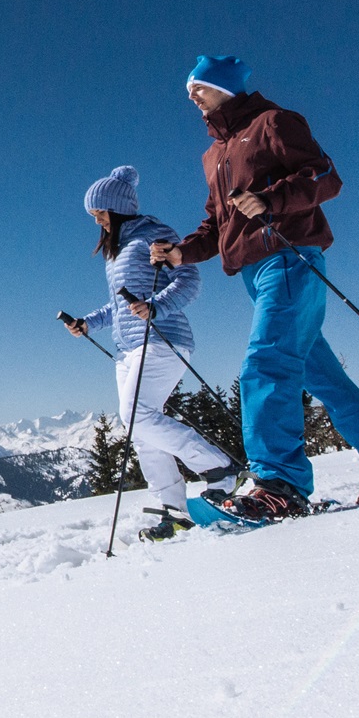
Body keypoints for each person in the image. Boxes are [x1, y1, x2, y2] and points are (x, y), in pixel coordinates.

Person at [147, 55, 359, 519]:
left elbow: (324, 176)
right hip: (253, 273)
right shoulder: (214, 155)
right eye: (188, 90)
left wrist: (270, 199)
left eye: (198, 86)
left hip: (288, 257)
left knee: (266, 363)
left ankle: (279, 484)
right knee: (323, 377)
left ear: (224, 86)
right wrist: (181, 252)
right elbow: (216, 222)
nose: (191, 96)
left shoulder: (273, 122)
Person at [62, 165, 237, 538]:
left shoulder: (153, 236)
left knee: (136, 413)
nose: (97, 221)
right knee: (138, 430)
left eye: (100, 213)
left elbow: (189, 280)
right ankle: (174, 511)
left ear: (117, 207)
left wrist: (157, 306)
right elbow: (119, 305)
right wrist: (88, 323)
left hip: (162, 339)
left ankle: (218, 468)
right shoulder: (118, 250)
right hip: (127, 348)